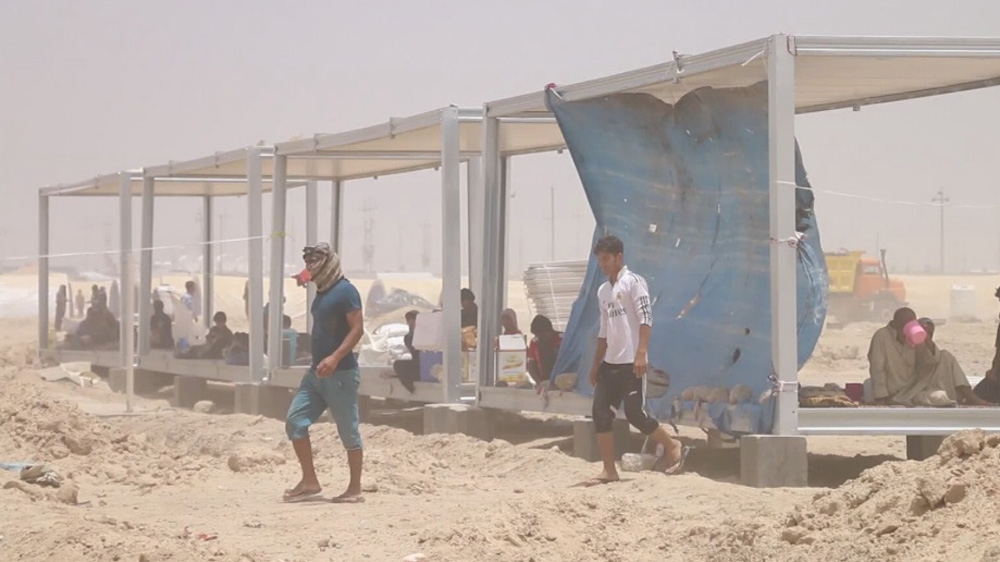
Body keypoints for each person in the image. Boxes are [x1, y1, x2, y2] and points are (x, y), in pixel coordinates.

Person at [582, 235, 687, 486]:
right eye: (599, 260)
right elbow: (604, 330)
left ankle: (672, 444)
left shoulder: (634, 282)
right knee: (600, 413)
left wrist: (641, 353)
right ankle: (609, 470)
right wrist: (596, 364)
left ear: (619, 257)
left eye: (606, 259)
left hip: (631, 363)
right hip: (610, 364)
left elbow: (645, 318)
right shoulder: (603, 291)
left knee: (635, 414)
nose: (602, 264)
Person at [283, 243, 365, 504]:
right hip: (316, 374)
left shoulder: (346, 291)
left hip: (341, 375)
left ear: (328, 264)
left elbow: (357, 329)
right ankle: (310, 481)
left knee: (348, 432)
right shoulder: (322, 289)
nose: (310, 269)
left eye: (314, 264)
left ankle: (354, 489)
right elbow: (308, 274)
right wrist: (301, 277)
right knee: (295, 422)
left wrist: (335, 357)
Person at [892, 318, 990, 406]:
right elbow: (925, 363)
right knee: (939, 397)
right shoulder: (907, 348)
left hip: (939, 388)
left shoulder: (937, 353)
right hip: (917, 391)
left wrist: (927, 341)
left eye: (930, 333)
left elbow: (933, 359)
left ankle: (969, 396)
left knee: (945, 356)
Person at [866, 307, 918, 404]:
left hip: (913, 392)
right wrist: (881, 397)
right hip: (892, 395)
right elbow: (877, 369)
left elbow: (929, 363)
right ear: (897, 324)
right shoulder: (882, 336)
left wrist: (925, 340)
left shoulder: (912, 336)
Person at [527, 314, 562, 392]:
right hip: (543, 381)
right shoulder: (535, 342)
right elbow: (531, 367)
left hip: (561, 383)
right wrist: (540, 383)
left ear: (549, 331)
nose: (539, 337)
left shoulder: (562, 340)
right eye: (536, 335)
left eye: (540, 335)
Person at [392, 310, 421, 393]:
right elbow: (413, 347)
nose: (410, 322)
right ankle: (410, 388)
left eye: (413, 319)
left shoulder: (428, 334)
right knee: (398, 365)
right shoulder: (408, 337)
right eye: (409, 320)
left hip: (427, 364)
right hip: (418, 365)